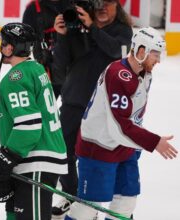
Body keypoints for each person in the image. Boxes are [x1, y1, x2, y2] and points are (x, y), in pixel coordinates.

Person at [64, 27, 178, 220]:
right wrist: (153, 142)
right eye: (155, 54)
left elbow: (135, 116)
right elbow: (119, 126)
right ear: (141, 51)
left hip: (124, 146)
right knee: (89, 207)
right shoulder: (118, 75)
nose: (158, 60)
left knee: (126, 201)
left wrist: (138, 146)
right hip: (98, 146)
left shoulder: (145, 74)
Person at [51, 0, 133, 217]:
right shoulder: (78, 30)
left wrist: (93, 29)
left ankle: (90, 203)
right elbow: (60, 68)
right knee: (61, 152)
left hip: (103, 109)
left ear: (117, 5)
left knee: (97, 157)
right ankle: (71, 195)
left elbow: (118, 54)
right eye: (98, 3)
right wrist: (62, 36)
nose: (102, 8)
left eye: (107, 3)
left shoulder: (123, 32)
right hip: (73, 102)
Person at [0, 22, 68, 220]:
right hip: (37, 159)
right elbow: (17, 116)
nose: (1, 46)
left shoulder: (15, 78)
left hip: (36, 160)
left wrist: (5, 159)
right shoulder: (35, 69)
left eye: (3, 42)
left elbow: (29, 126)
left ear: (10, 47)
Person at [22, 0, 65, 98]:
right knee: (43, 111)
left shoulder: (75, 5)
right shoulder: (33, 8)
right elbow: (24, 42)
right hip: (46, 71)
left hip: (73, 71)